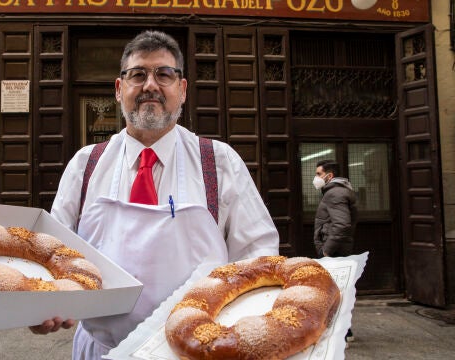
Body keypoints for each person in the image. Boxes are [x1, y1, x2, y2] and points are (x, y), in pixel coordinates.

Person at [32, 30, 280, 359]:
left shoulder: (218, 163)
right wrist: (40, 304)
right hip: (103, 351)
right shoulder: (85, 165)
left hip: (196, 353)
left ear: (183, 89)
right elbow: (54, 257)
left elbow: (258, 258)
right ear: (119, 90)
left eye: (164, 74)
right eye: (138, 75)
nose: (151, 85)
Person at [312, 159, 358, 343]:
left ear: (329, 176)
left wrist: (326, 251)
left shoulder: (334, 194)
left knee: (332, 292)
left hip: (334, 251)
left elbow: (342, 224)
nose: (316, 178)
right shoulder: (339, 191)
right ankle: (345, 332)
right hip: (339, 248)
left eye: (318, 174)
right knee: (337, 291)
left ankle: (342, 334)